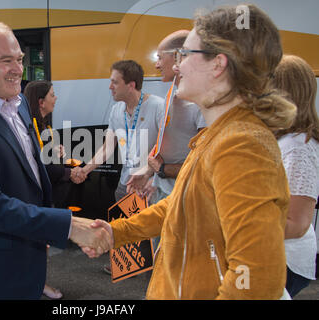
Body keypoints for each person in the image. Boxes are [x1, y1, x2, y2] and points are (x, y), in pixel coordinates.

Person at [86, 4, 297, 299]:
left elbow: (257, 278)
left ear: (218, 64)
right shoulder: (218, 136)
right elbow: (181, 205)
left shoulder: (241, 146)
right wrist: (117, 232)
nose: (177, 66)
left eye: (185, 55)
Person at [0, 21, 111, 299]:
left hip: (27, 249)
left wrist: (43, 227)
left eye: (19, 59)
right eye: (6, 61)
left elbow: (30, 171)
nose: (18, 69)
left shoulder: (17, 104)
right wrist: (68, 226)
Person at [127, 30, 206, 205]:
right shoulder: (172, 95)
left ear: (179, 57)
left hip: (186, 197)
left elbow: (205, 166)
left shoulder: (201, 102)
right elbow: (167, 143)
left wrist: (162, 169)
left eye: (160, 58)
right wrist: (149, 172)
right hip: (164, 192)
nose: (156, 65)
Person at [23, 80, 82, 299]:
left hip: (43, 197)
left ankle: (37, 282)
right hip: (35, 197)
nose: (55, 98)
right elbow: (42, 168)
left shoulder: (43, 125)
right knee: (37, 243)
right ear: (41, 101)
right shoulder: (30, 127)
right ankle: (38, 284)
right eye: (52, 95)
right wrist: (69, 173)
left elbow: (45, 159)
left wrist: (56, 151)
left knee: (40, 243)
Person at [77, 60, 164, 202]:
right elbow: (108, 148)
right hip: (125, 184)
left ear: (131, 85)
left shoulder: (158, 107)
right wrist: (84, 170)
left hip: (150, 185)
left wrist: (153, 179)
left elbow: (166, 149)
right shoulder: (116, 110)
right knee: (123, 222)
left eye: (115, 82)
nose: (110, 87)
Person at [273, 55, 319, 297]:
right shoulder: (285, 139)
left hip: (287, 260)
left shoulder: (298, 147)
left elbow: (297, 223)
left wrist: (240, 229)